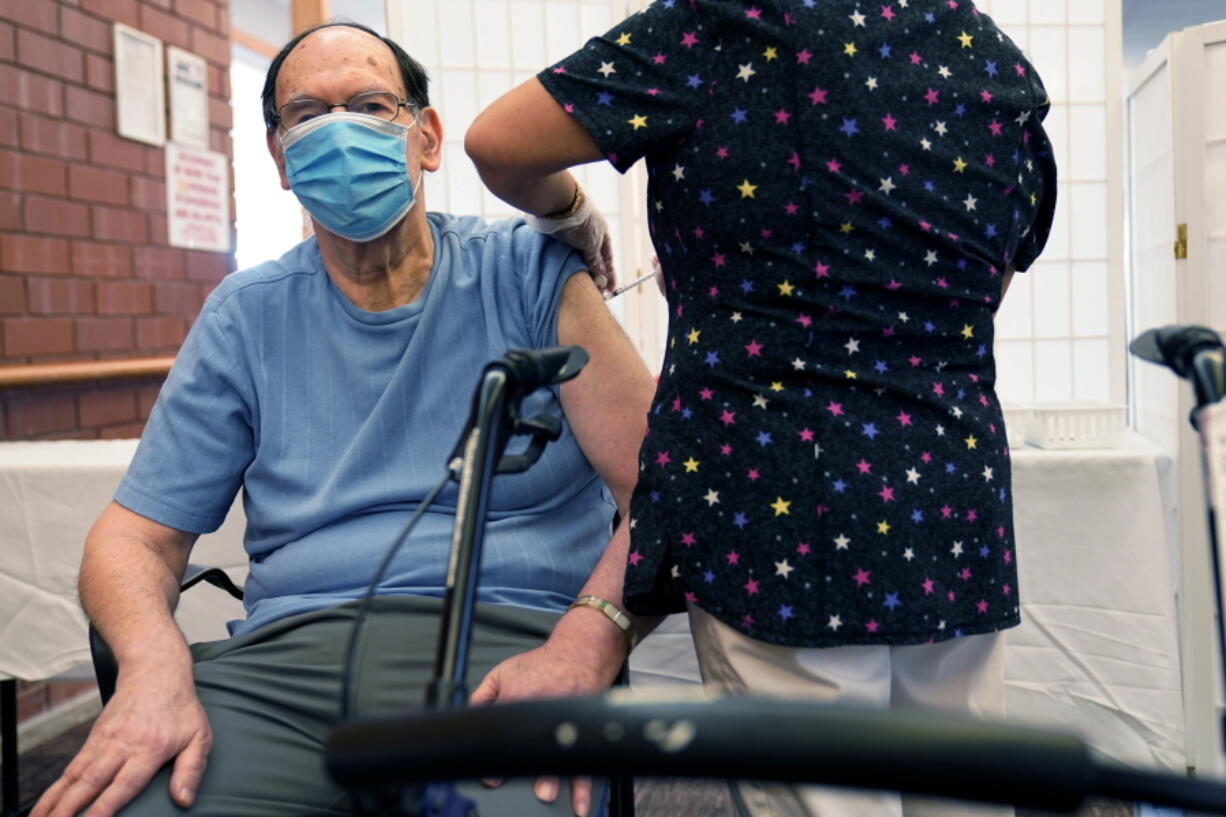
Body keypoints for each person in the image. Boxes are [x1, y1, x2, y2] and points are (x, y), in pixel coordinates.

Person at [31, 21, 655, 817]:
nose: (338, 131)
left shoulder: (528, 274)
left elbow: (663, 490)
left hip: (505, 655)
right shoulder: (246, 315)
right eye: (307, 115)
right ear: (279, 157)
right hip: (283, 671)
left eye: (368, 104)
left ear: (425, 138)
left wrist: (587, 639)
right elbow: (134, 536)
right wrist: (154, 668)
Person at [465, 1, 1057, 815]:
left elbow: (496, 143)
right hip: (948, 497)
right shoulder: (996, 61)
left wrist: (576, 213)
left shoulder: (723, 23)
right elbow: (980, 288)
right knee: (961, 790)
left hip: (783, 498)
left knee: (822, 798)